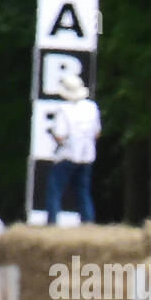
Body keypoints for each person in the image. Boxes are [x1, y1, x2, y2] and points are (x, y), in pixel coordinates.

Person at [46, 75, 101, 224]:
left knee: (55, 190)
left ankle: (52, 222)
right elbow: (97, 133)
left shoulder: (64, 110)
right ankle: (88, 222)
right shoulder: (91, 107)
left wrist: (52, 132)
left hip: (68, 155)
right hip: (87, 155)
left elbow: (60, 135)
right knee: (83, 191)